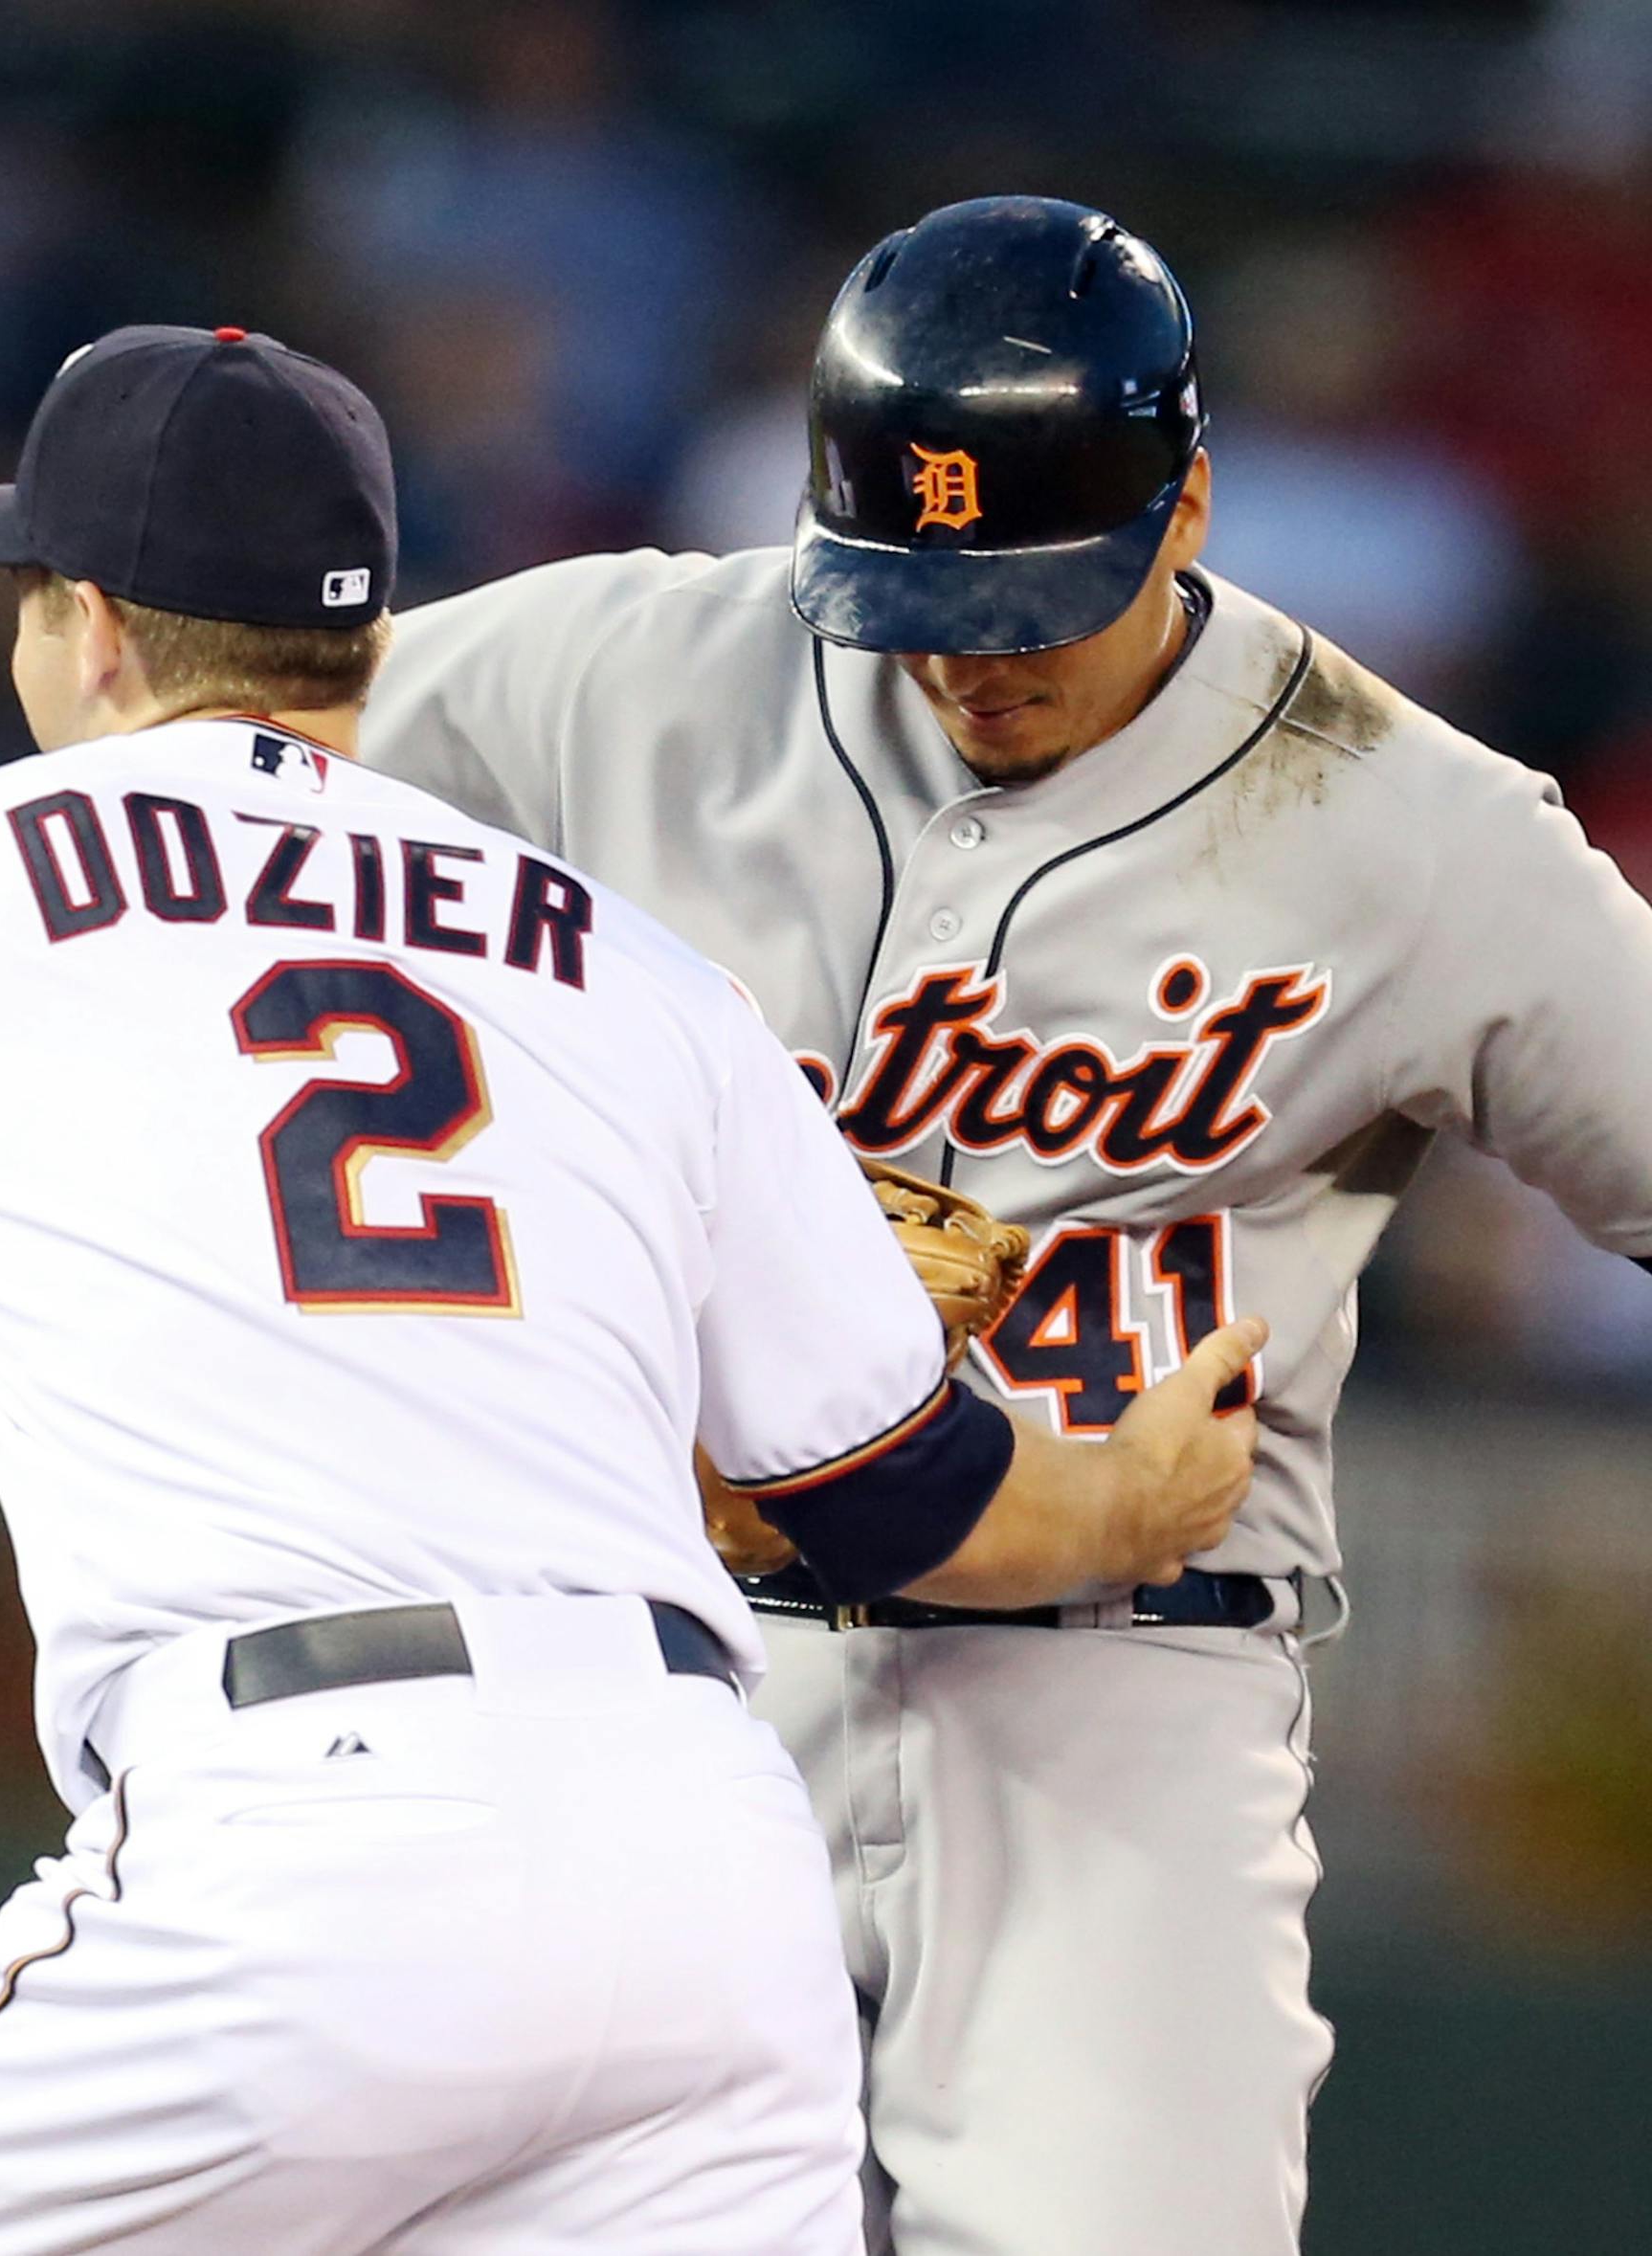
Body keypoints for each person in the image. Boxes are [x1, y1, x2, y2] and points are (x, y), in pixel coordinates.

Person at [0, 322, 1262, 2256]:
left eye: (30, 599)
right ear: (365, 648)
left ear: (99, 630)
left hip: (307, 1828)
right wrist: (1135, 1496)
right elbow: (897, 1495)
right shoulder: (645, 976)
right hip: (701, 1870)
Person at [351, 199, 1652, 2253]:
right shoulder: (633, 663)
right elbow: (181, 770)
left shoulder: (1418, 828)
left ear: (1191, 502)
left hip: (1117, 1717)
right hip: (678, 1686)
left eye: (1037, 598)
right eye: (914, 592)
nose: (974, 653)